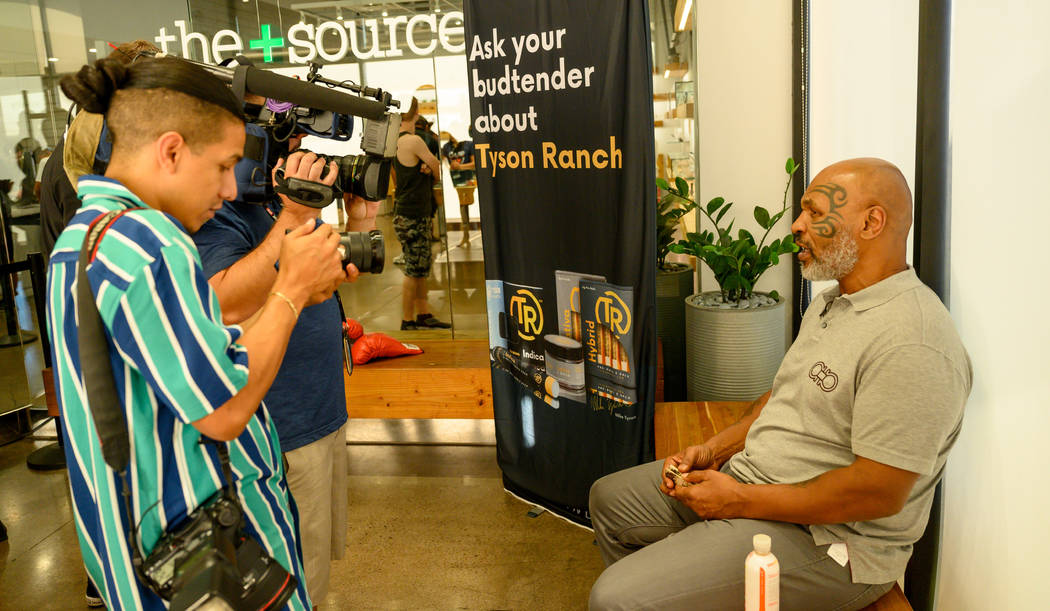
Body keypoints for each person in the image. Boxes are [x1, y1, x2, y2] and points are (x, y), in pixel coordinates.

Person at [588, 158, 972, 611]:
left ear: (872, 223)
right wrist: (713, 451)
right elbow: (783, 398)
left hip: (828, 544)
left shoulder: (914, 342)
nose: (796, 225)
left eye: (814, 212)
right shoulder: (833, 302)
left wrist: (739, 502)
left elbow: (877, 492)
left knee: (614, 599)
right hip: (755, 484)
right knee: (609, 501)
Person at [46, 56, 346, 610]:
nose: (231, 189)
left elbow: (186, 357)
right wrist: (289, 293)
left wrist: (294, 291)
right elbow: (225, 407)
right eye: (224, 165)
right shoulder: (150, 244)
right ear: (172, 150)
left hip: (151, 551)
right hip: (202, 555)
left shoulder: (84, 239)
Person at [193, 135, 364, 606]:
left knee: (314, 572)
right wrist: (294, 216)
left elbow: (316, 275)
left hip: (321, 410)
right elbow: (222, 301)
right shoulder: (222, 204)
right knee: (290, 584)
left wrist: (357, 218)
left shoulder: (281, 193)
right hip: (277, 427)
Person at [393, 97, 449, 330]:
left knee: (419, 268)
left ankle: (423, 314)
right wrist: (431, 171)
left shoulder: (394, 142)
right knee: (413, 269)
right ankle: (407, 318)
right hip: (414, 213)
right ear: (415, 115)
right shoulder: (414, 141)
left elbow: (397, 178)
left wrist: (424, 168)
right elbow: (436, 167)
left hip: (406, 210)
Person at [440, 131, 476, 248]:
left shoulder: (468, 144)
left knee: (467, 204)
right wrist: (449, 166)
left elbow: (475, 163)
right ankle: (465, 235)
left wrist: (461, 166)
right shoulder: (447, 147)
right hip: (457, 180)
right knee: (463, 206)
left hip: (470, 178)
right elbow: (443, 160)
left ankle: (467, 236)